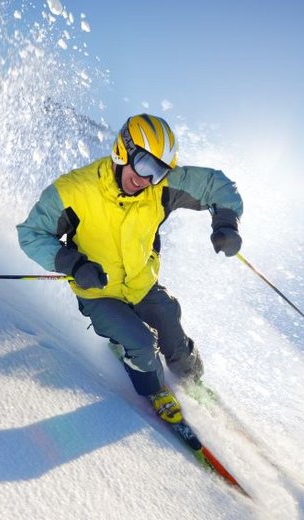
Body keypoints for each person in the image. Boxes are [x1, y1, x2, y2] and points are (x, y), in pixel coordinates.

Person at [17, 113, 243, 424]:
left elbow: (215, 184)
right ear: (123, 149)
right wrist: (73, 264)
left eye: (158, 170)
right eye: (143, 165)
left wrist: (227, 223)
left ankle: (191, 379)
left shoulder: (159, 186)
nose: (145, 179)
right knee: (142, 345)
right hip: (98, 291)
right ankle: (155, 389)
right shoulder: (74, 190)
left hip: (142, 285)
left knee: (173, 336)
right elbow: (31, 234)